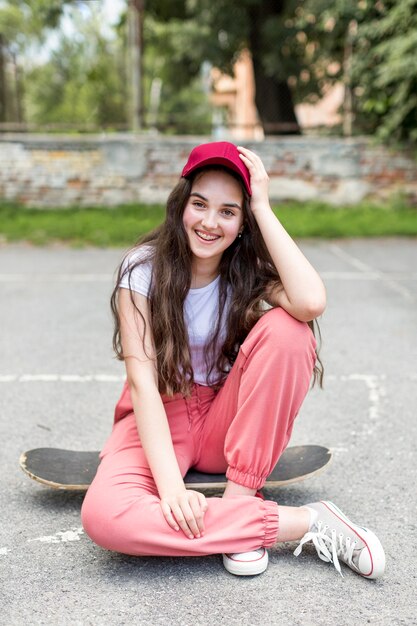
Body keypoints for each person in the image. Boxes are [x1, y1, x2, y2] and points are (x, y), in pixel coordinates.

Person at [81, 142, 385, 579]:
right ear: (180, 205)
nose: (209, 222)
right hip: (159, 412)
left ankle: (241, 500)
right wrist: (170, 490)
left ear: (243, 223)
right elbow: (142, 383)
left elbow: (311, 301)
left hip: (224, 421)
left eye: (228, 211)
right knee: (105, 517)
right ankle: (302, 522)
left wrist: (262, 205)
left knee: (289, 331)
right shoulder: (142, 269)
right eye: (200, 204)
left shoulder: (246, 271)